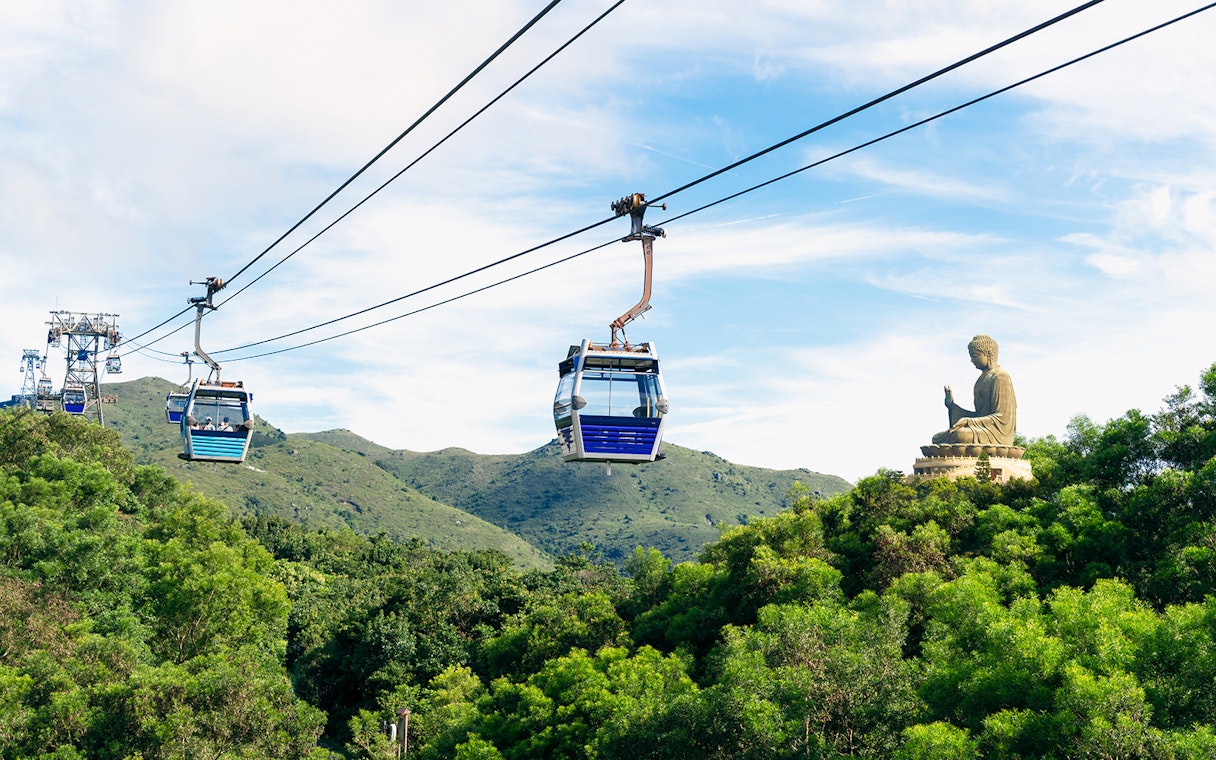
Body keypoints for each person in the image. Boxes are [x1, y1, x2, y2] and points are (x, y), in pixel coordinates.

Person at [931, 334, 1016, 446]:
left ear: (988, 354)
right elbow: (978, 415)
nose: (971, 360)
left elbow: (1002, 417)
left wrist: (969, 421)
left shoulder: (1000, 377)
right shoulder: (981, 380)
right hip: (982, 428)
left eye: (975, 356)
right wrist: (952, 406)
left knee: (961, 435)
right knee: (937, 438)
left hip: (997, 433)